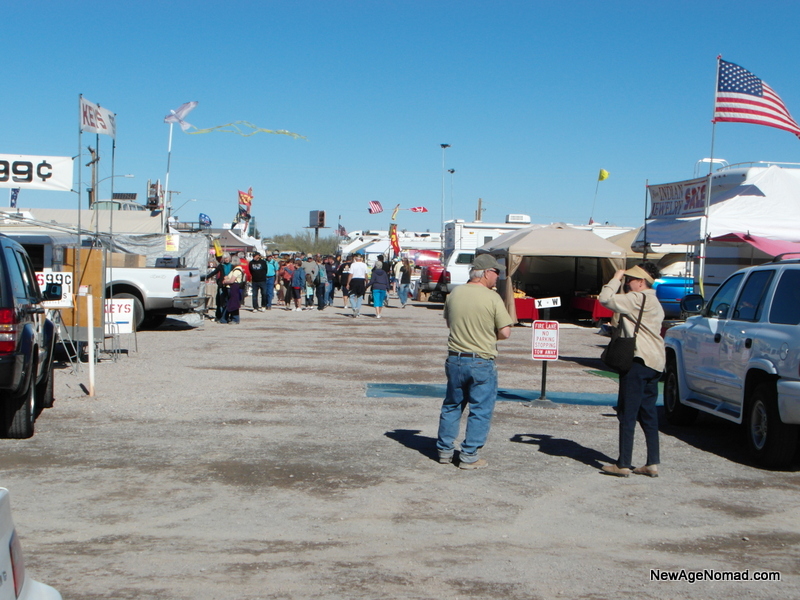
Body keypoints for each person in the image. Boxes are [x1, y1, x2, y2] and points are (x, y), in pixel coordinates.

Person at [436, 254, 513, 469]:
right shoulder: (492, 298)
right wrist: (487, 336)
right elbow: (505, 332)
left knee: (452, 404)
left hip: (455, 358)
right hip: (481, 360)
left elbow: (450, 325)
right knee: (480, 408)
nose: (497, 276)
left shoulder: (455, 293)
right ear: (486, 272)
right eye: (496, 272)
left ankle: (444, 450)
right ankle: (469, 456)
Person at [598, 263, 665, 478]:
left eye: (630, 280)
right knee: (648, 413)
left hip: (637, 360)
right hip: (655, 361)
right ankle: (652, 462)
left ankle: (623, 463)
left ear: (641, 281)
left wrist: (615, 278)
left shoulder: (638, 299)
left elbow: (605, 299)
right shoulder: (655, 301)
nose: (628, 284)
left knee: (627, 412)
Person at [222, 257, 246, 324]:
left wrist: (225, 282)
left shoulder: (236, 271)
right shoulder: (235, 270)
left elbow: (232, 281)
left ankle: (235, 319)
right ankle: (228, 318)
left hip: (234, 288)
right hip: (232, 288)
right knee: (231, 303)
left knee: (234, 304)